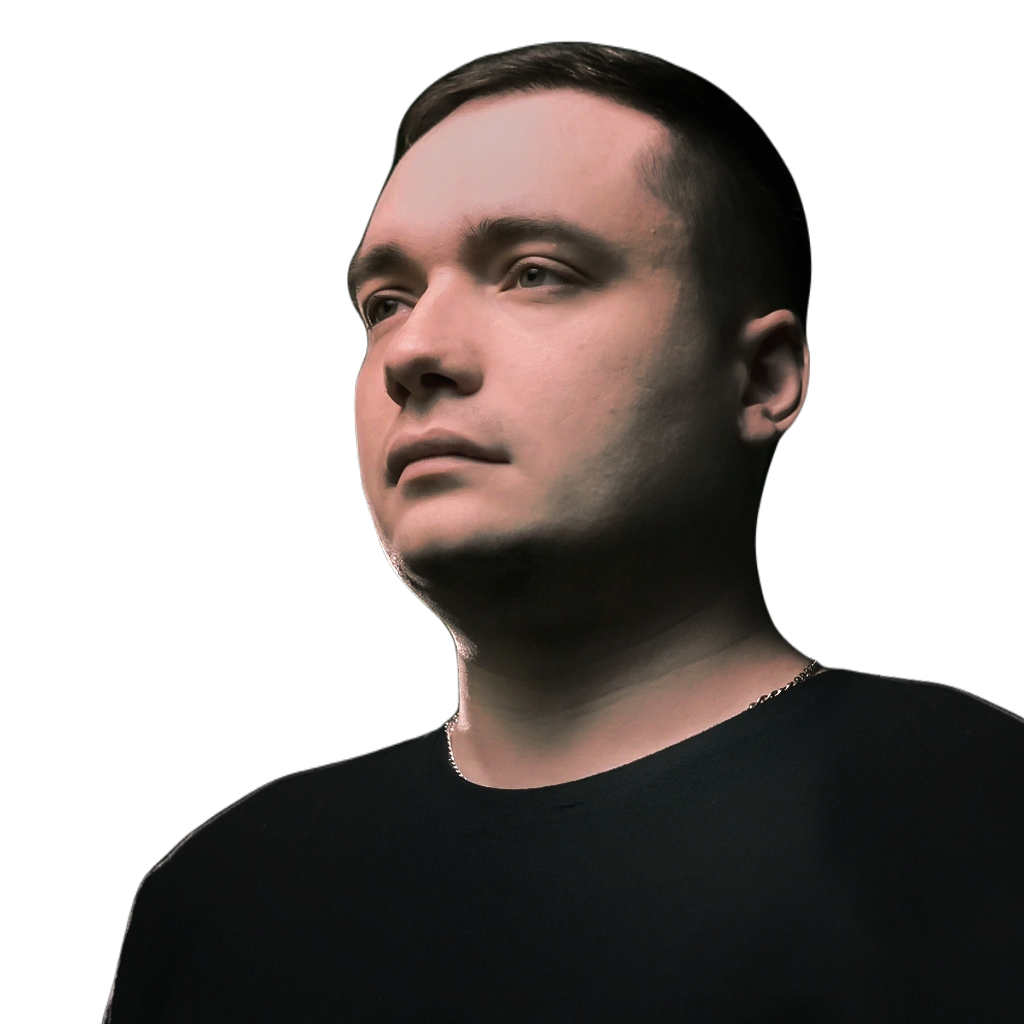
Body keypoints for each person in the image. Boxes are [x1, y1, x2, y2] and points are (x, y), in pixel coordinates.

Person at [104, 44, 1024, 1023]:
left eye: (534, 273)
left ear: (761, 377)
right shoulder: (219, 899)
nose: (413, 350)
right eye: (386, 303)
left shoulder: (985, 820)